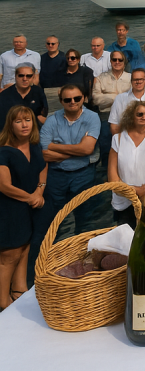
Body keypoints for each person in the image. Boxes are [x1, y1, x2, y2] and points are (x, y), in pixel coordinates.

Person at [33, 84, 101, 277]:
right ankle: (54, 263)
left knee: (85, 219)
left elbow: (87, 150)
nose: (73, 102)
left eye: (77, 98)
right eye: (68, 99)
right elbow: (44, 153)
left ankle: (84, 262)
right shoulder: (53, 120)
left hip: (83, 174)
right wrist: (75, 150)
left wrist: (56, 146)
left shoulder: (92, 118)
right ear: (61, 101)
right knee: (55, 220)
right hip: (56, 176)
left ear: (83, 98)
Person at [0, 106, 46, 310]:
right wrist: (31, 198)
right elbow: (4, 186)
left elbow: (43, 166)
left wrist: (40, 191)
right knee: (9, 255)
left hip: (32, 207)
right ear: (10, 125)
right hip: (10, 209)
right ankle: (2, 301)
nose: (24, 124)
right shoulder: (3, 151)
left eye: (27, 120)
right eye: (18, 121)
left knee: (25, 248)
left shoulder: (34, 145)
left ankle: (19, 290)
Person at [108, 100, 145, 228]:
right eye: (139, 114)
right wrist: (136, 190)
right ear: (132, 115)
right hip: (123, 202)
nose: (144, 117)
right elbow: (112, 176)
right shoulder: (117, 139)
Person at [90, 50, 131, 165]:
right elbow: (96, 99)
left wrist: (107, 95)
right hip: (106, 114)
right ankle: (106, 170)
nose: (117, 62)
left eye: (120, 60)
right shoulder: (100, 78)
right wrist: (118, 97)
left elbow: (132, 99)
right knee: (105, 143)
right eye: (114, 59)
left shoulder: (130, 78)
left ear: (124, 62)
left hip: (126, 114)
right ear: (110, 61)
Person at [108, 68, 145, 134]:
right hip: (124, 138)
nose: (138, 82)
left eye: (141, 79)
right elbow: (113, 125)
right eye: (135, 79)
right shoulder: (120, 98)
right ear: (131, 81)